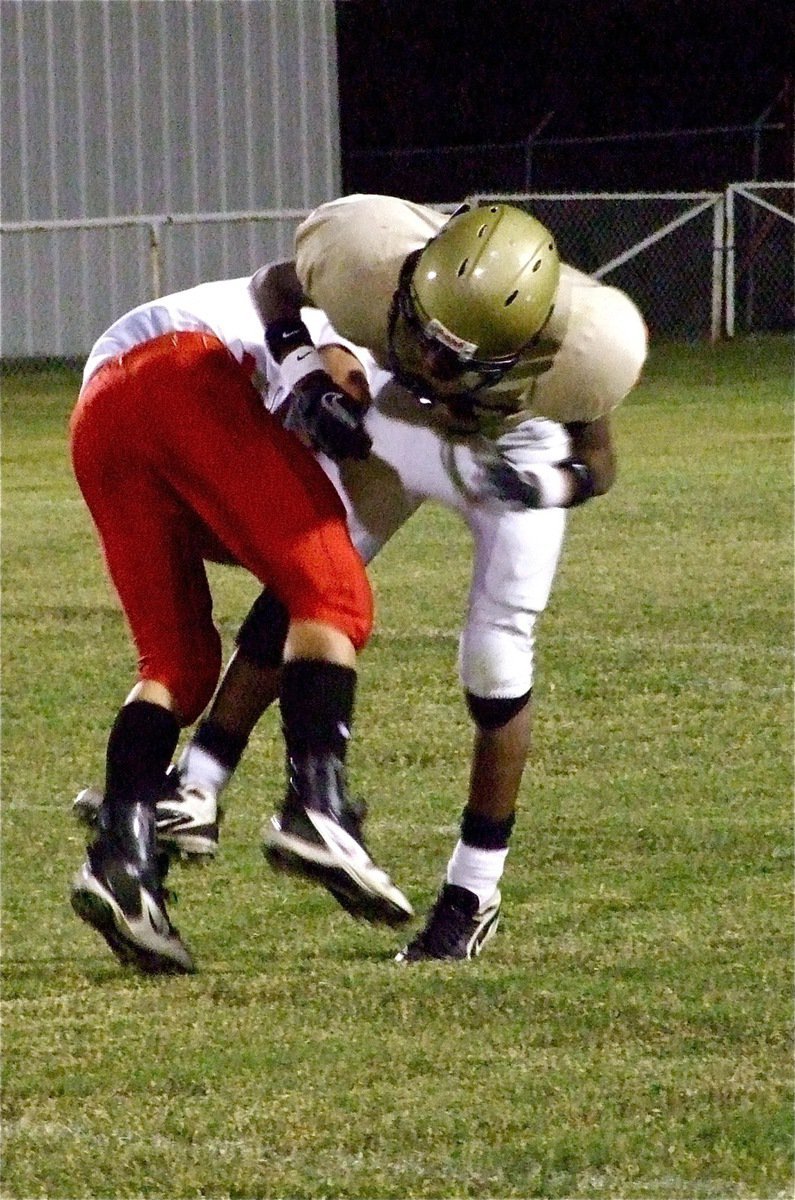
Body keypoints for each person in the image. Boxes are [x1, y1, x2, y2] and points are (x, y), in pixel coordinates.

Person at [76, 195, 647, 962]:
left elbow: (599, 465)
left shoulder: (585, 353)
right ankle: (261, 796)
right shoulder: (371, 265)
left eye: (457, 356)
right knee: (318, 579)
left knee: (493, 653)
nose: (431, 363)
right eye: (423, 336)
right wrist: (312, 375)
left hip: (512, 450)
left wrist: (543, 487)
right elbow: (279, 293)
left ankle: (471, 889)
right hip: (382, 415)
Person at [68, 276, 414, 976]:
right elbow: (345, 367)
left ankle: (122, 859)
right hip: (187, 373)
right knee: (336, 591)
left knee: (177, 664)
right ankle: (317, 807)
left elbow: (279, 614)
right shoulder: (383, 359)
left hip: (101, 408)